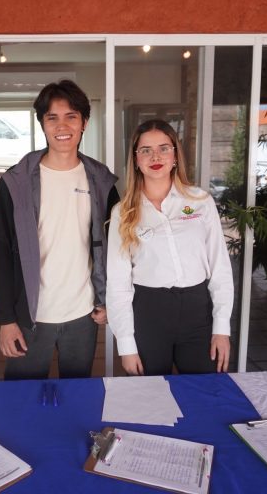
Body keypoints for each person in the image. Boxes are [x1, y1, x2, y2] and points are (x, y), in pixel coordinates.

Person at [0, 79, 120, 380]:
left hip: (82, 315)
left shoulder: (102, 182)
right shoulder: (16, 182)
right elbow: (0, 253)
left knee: (76, 395)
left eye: (71, 116)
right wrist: (6, 319)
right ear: (42, 124)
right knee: (22, 397)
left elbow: (116, 249)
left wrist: (108, 300)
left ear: (84, 123)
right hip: (29, 315)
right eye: (52, 117)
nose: (62, 126)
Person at [106, 119, 234, 375]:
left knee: (202, 391)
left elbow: (220, 267)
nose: (155, 156)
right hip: (148, 314)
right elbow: (118, 283)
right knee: (151, 395)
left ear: (175, 155)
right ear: (136, 159)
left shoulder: (200, 201)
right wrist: (126, 345)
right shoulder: (123, 212)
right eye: (146, 150)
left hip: (197, 313)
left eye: (164, 148)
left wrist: (221, 328)